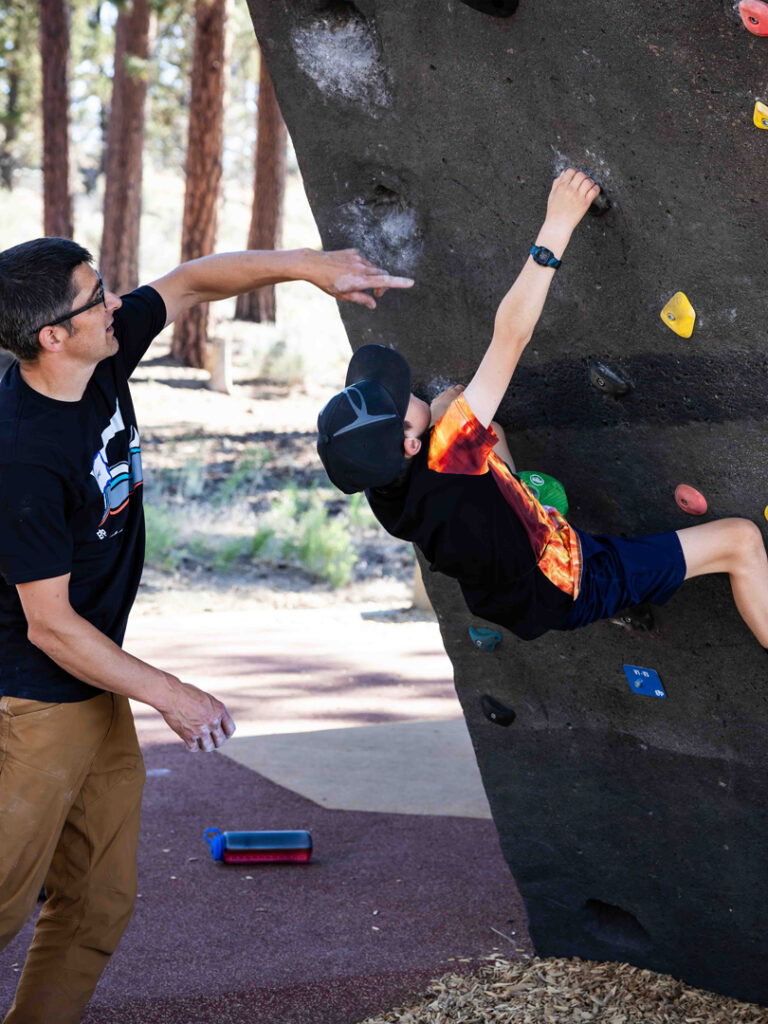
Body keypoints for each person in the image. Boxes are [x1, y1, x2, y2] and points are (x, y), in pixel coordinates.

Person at [0, 239, 414, 1024]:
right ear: (51, 335)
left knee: (97, 905)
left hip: (93, 682)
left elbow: (190, 282)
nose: (115, 302)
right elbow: (49, 627)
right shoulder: (23, 456)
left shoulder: (99, 362)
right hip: (26, 698)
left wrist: (309, 267)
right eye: (95, 298)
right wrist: (172, 694)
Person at [317, 168, 768, 647]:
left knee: (461, 408)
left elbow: (445, 416)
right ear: (409, 444)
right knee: (739, 541)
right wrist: (558, 225)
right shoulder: (449, 447)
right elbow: (510, 337)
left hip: (505, 593)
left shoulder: (384, 489)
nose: (408, 388)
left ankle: (522, 501)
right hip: (573, 580)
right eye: (399, 399)